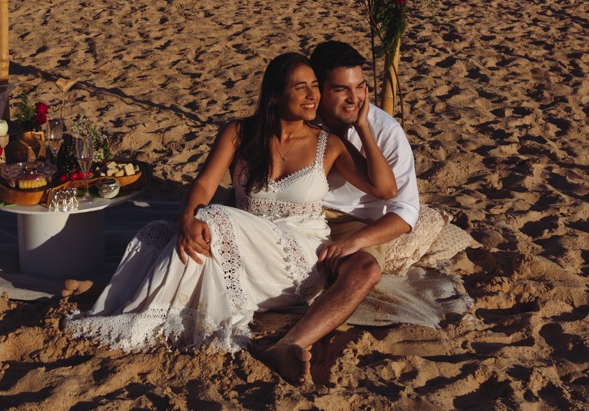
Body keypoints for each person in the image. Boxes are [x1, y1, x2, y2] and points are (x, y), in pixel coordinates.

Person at [63, 53, 398, 362]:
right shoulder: (239, 133)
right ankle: (148, 314)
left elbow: (385, 188)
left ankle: (141, 312)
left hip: (297, 259)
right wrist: (185, 218)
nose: (312, 96)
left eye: (315, 87)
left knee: (211, 217)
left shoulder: (330, 144)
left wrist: (363, 126)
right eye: (301, 88)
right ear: (274, 96)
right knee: (162, 232)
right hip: (241, 253)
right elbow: (205, 185)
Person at [254, 40, 422, 382]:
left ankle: (291, 344)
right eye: (341, 89)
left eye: (361, 87)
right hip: (295, 211)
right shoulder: (299, 116)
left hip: (352, 222)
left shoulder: (386, 131)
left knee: (364, 270)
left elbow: (404, 210)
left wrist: (356, 241)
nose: (355, 98)